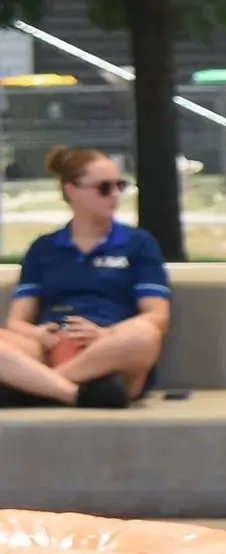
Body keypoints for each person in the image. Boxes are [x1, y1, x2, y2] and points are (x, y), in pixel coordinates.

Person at [2, 147, 171, 409]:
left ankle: (39, 387)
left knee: (144, 335)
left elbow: (157, 317)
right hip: (47, 349)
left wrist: (105, 333)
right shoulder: (43, 248)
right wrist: (38, 334)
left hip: (106, 350)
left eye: (120, 185)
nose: (115, 195)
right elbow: (16, 321)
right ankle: (75, 394)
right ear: (72, 190)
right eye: (104, 188)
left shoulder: (139, 244)